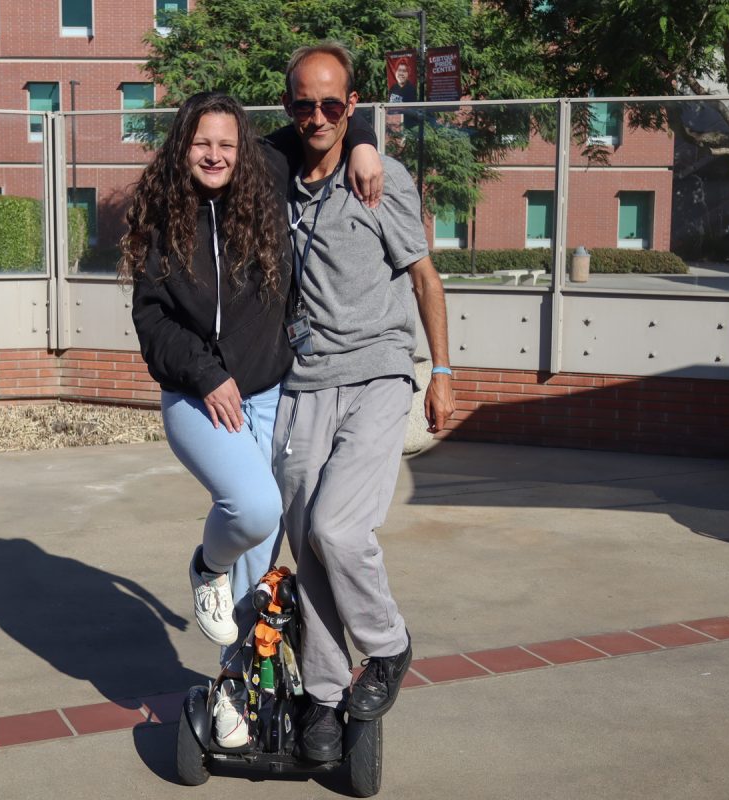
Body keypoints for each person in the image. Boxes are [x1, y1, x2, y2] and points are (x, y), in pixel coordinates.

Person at [121, 91, 384, 750]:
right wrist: (207, 376)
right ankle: (206, 566)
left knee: (263, 560)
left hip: (272, 391)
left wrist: (368, 140)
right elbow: (151, 320)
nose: (215, 155)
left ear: (243, 150)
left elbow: (327, 126)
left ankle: (240, 683)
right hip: (195, 398)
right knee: (254, 509)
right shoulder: (161, 215)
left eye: (226, 145)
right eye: (202, 143)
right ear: (184, 146)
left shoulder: (265, 172)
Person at [272, 42, 455, 762]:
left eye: (331, 105)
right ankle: (321, 695)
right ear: (289, 108)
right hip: (303, 382)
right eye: (302, 104)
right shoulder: (278, 173)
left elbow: (426, 280)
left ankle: (387, 645)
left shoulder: (381, 180)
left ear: (352, 108)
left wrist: (441, 370)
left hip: (378, 372)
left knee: (339, 530)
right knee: (304, 543)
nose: (316, 117)